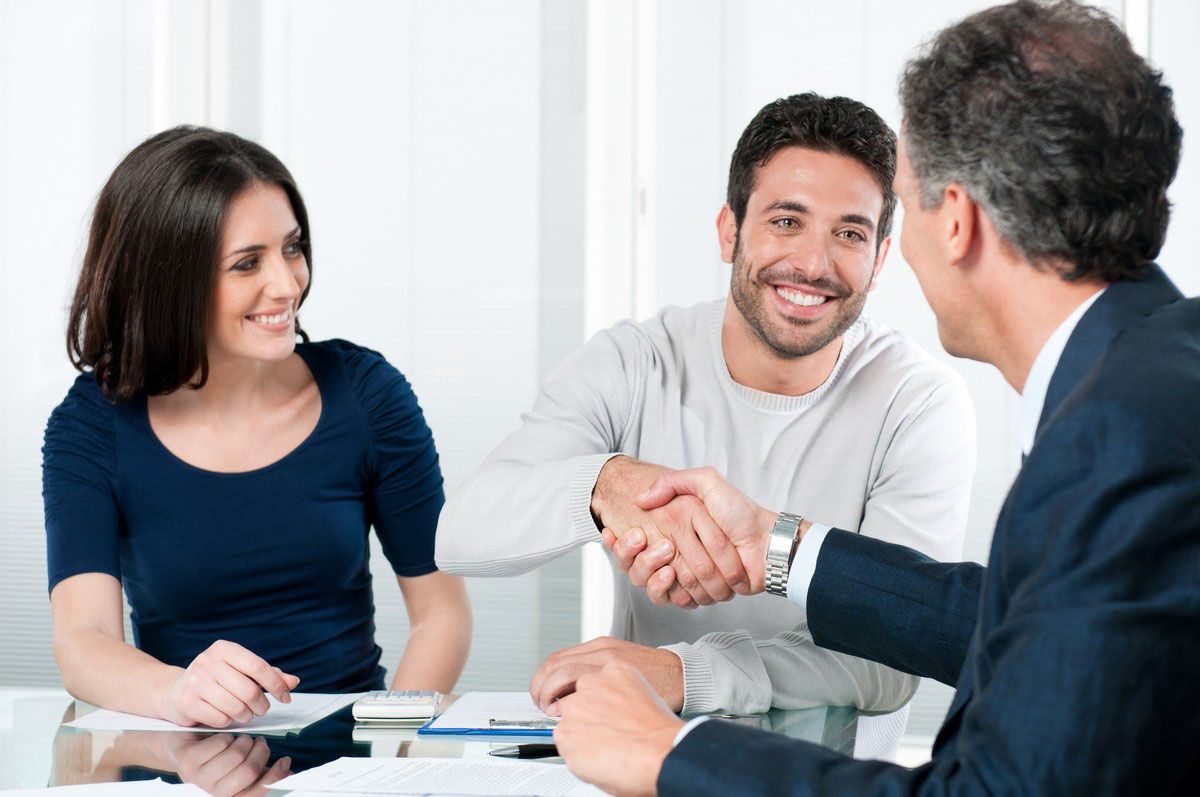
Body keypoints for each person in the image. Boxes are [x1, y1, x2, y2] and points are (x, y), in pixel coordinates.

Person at [552, 1, 1200, 794]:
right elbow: (1035, 624)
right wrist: (775, 546)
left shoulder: (1118, 436)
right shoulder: (1162, 364)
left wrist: (666, 753)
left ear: (953, 218)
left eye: (901, 195)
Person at [435, 93, 976, 755]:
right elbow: (461, 532)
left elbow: (893, 663)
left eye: (850, 233)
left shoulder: (919, 402)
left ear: (881, 258)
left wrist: (690, 671)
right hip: (643, 761)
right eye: (786, 220)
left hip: (829, 777)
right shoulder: (635, 362)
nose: (813, 262)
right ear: (729, 230)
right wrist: (605, 487)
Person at [43, 126, 471, 729]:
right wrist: (179, 691)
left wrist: (387, 744)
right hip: (181, 755)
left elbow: (441, 614)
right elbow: (82, 643)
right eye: (247, 263)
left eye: (291, 249)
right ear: (169, 282)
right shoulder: (92, 426)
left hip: (351, 757)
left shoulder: (367, 394)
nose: (287, 283)